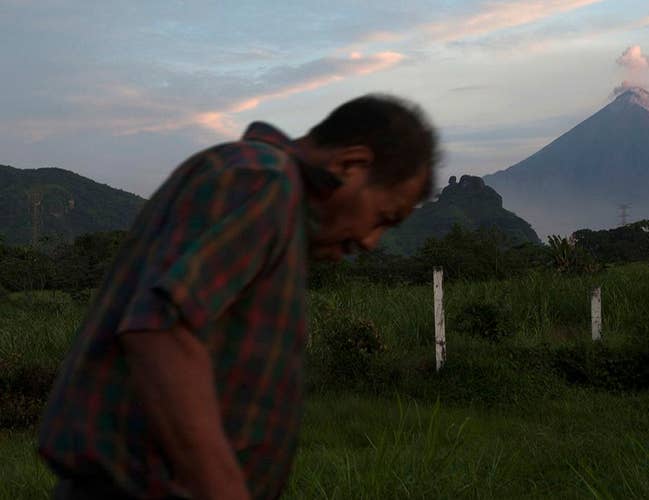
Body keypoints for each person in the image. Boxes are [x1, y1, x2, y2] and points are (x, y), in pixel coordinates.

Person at [37, 94, 440, 500]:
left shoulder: (270, 198)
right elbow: (162, 330)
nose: (372, 241)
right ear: (351, 166)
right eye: (384, 218)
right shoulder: (264, 179)